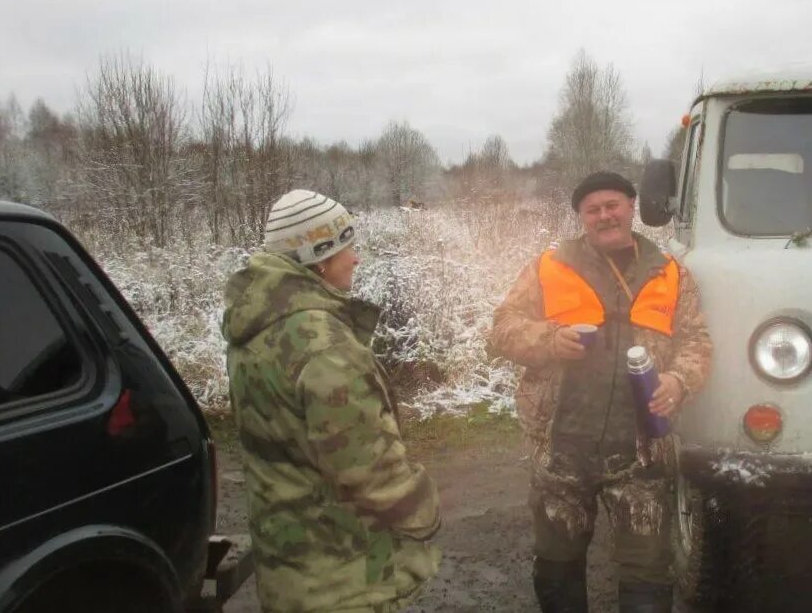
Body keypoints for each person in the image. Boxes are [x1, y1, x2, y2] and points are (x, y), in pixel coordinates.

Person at [488, 171, 713, 613]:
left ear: (632, 208)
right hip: (562, 449)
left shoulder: (671, 274)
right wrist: (549, 340)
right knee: (557, 568)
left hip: (641, 452)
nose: (604, 215)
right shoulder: (548, 268)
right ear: (581, 217)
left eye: (612, 205)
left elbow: (697, 341)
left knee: (648, 574)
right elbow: (502, 331)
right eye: (593, 209)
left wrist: (679, 381)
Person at [222, 189, 440, 613]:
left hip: (288, 570)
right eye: (347, 248)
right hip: (345, 578)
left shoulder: (255, 326)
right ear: (319, 257)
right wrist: (426, 506)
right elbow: (371, 474)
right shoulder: (324, 346)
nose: (355, 259)